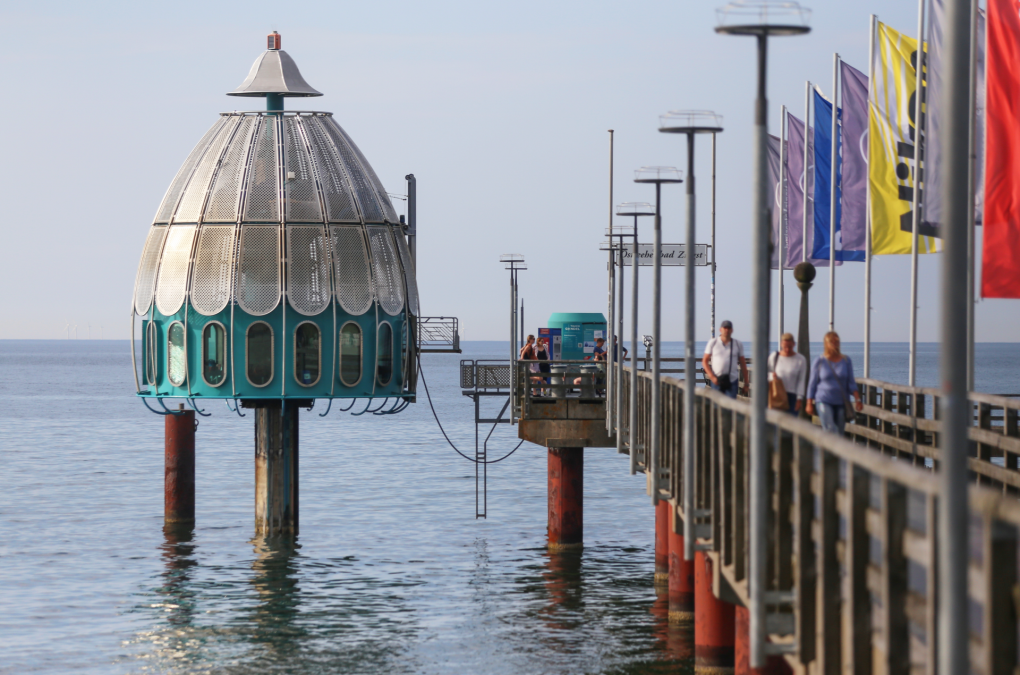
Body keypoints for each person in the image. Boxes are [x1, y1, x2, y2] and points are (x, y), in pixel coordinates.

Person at [806, 331, 863, 434]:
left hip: (841, 402)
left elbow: (851, 382)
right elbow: (812, 384)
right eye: (832, 342)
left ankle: (825, 445)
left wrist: (857, 399)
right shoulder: (819, 361)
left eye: (837, 341)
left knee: (839, 433)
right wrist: (809, 403)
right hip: (823, 400)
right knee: (830, 428)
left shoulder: (846, 361)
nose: (835, 344)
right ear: (826, 344)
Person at [702, 320, 747, 398]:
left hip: (732, 380)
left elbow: (743, 363)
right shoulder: (713, 342)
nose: (727, 330)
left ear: (732, 330)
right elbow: (705, 361)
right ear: (720, 329)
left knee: (731, 404)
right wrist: (712, 377)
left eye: (729, 328)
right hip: (717, 380)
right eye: (725, 328)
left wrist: (746, 383)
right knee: (716, 404)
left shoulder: (737, 344)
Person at [767, 333, 807, 415]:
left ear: (794, 344)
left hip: (792, 396)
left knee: (791, 421)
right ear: (781, 344)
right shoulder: (774, 356)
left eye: (790, 347)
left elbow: (801, 380)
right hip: (776, 393)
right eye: (785, 347)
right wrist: (772, 376)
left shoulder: (800, 359)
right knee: (775, 420)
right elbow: (766, 374)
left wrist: (799, 398)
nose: (787, 349)